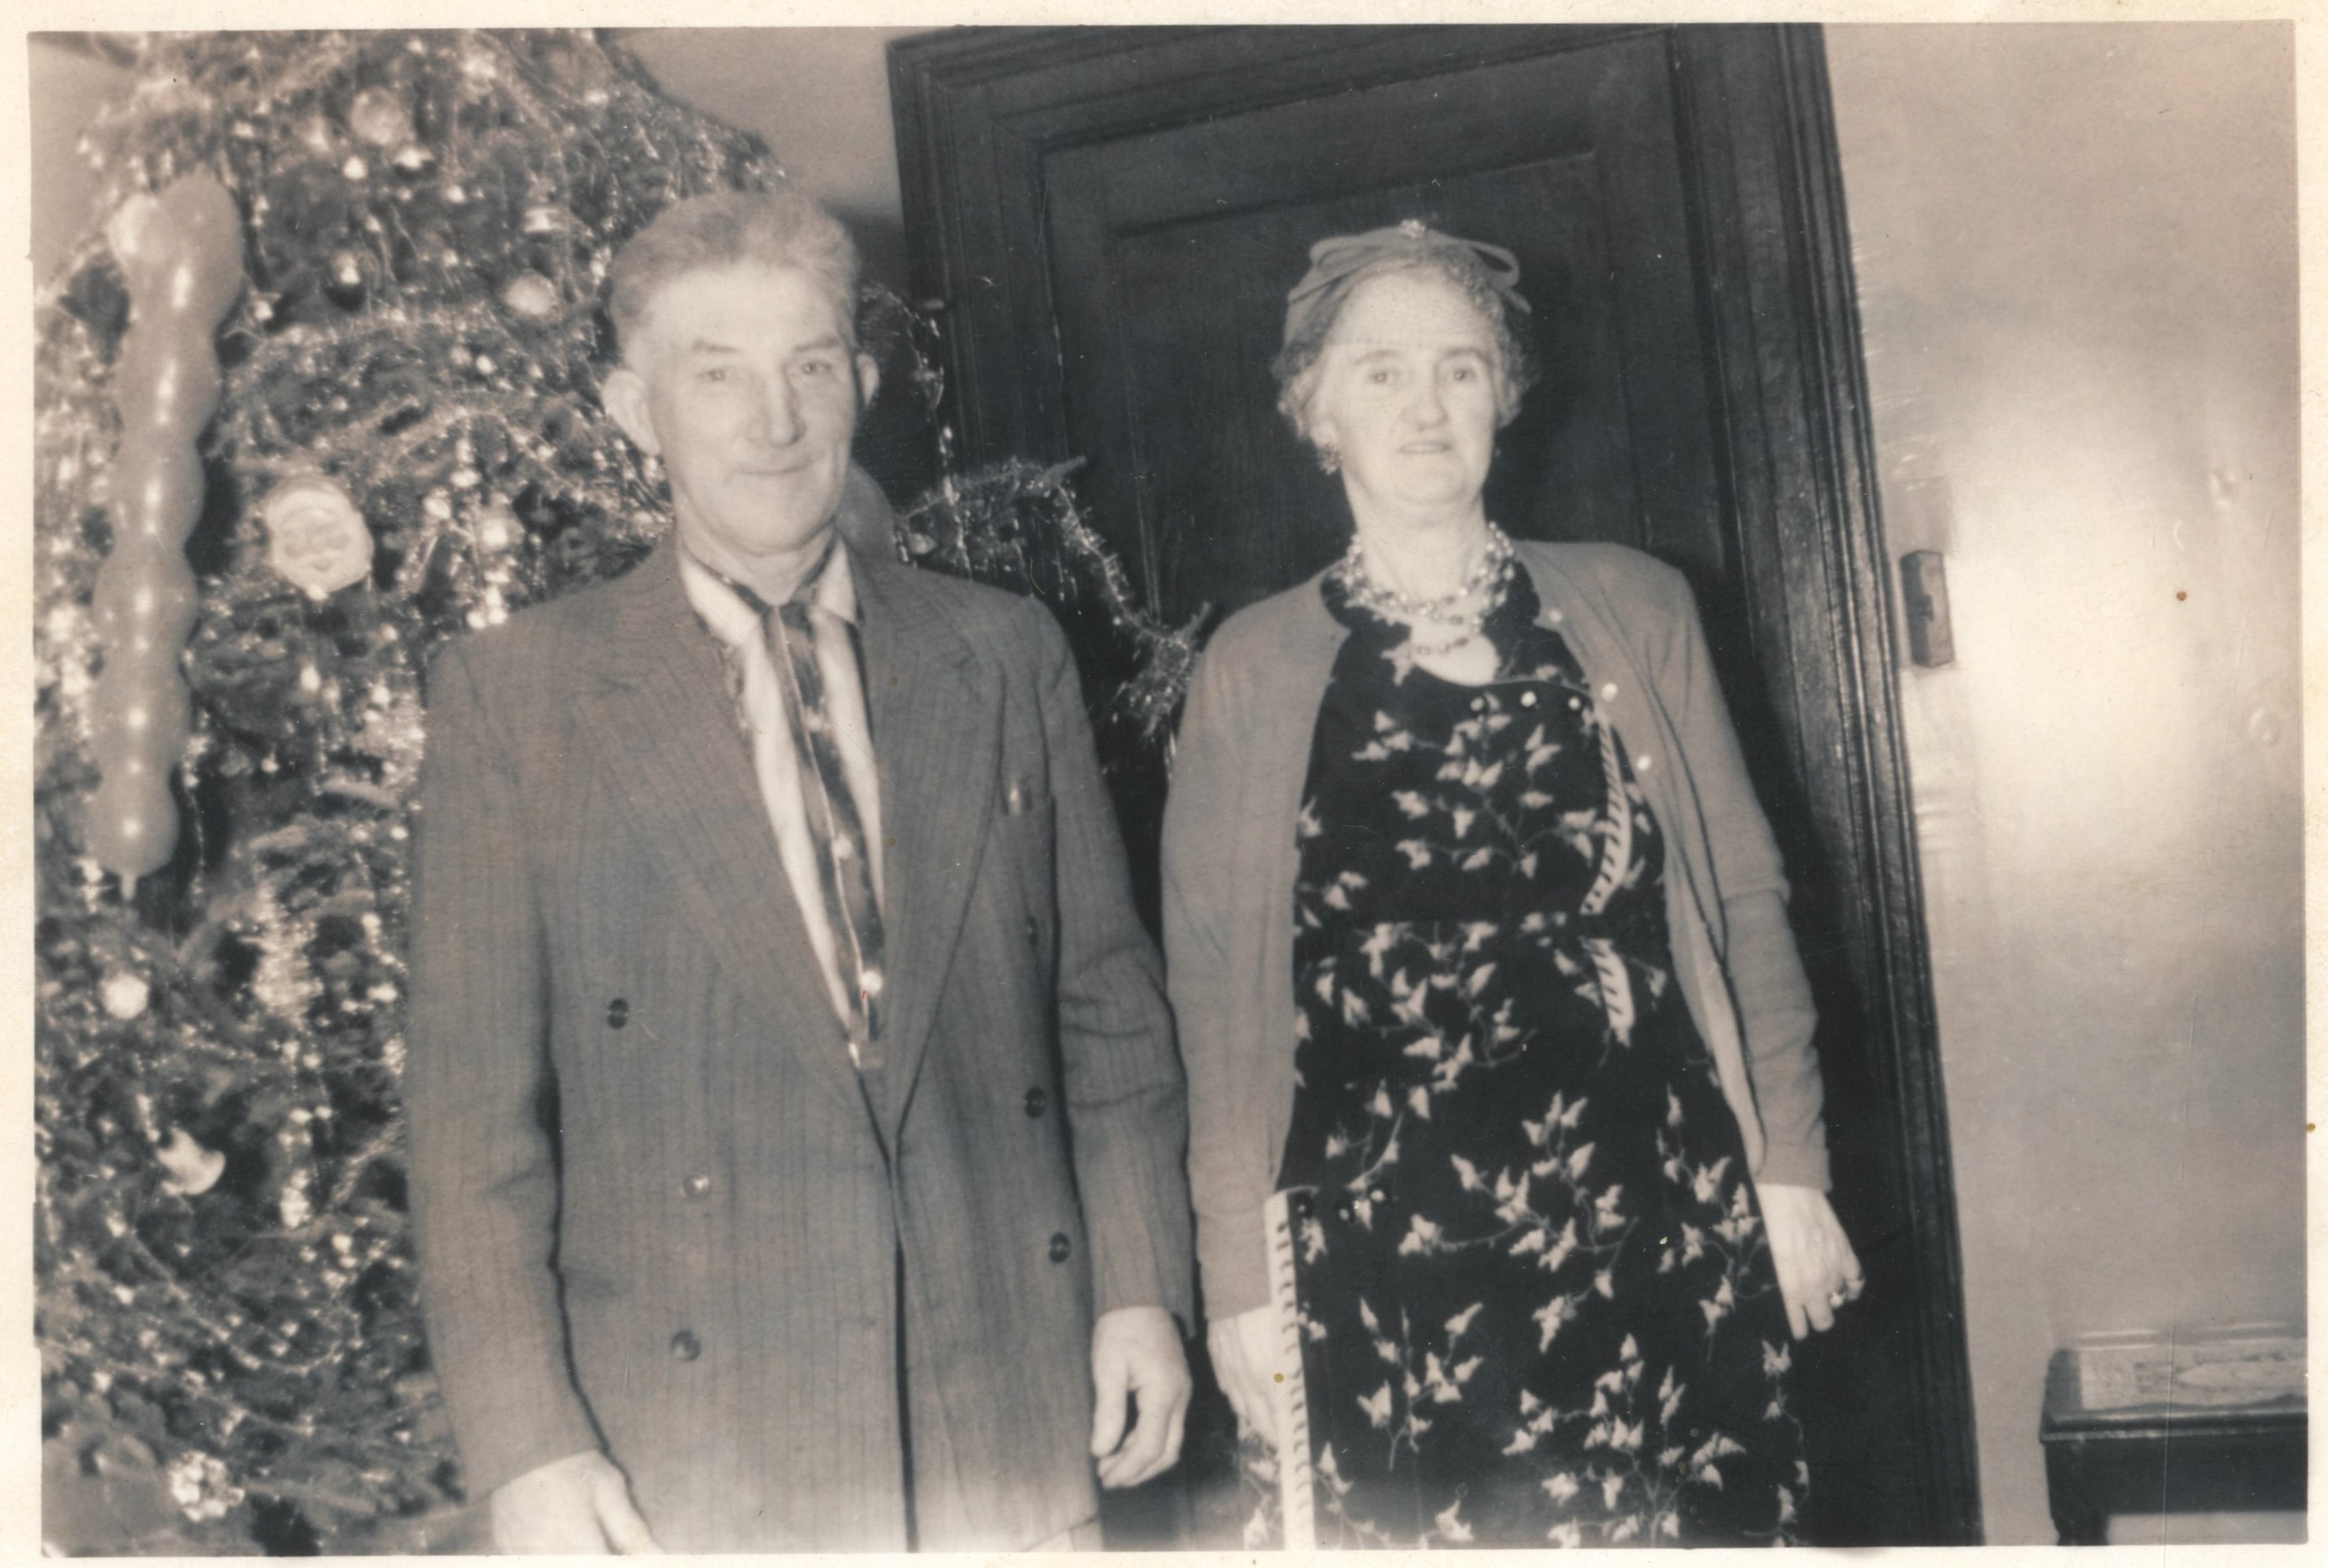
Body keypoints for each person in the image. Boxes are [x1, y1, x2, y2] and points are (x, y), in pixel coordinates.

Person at [404, 188, 1194, 1555]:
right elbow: (471, 1125)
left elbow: (1107, 1009)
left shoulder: (1003, 654)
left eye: (811, 366)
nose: (776, 422)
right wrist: (527, 1439)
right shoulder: (517, 697)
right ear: (634, 410)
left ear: (861, 386)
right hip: (699, 1451)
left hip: (1004, 1401)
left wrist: (1139, 1290)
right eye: (717, 375)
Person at [1163, 221, 1864, 1548]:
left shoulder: (1634, 607)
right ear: (1314, 408)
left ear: (1507, 397)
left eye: (1462, 368)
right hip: (1383, 1254)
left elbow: (1742, 899)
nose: (1426, 406)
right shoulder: (1250, 668)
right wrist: (1233, 1280)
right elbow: (1210, 992)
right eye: (1379, 373)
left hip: (1659, 1207)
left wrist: (1790, 1170)